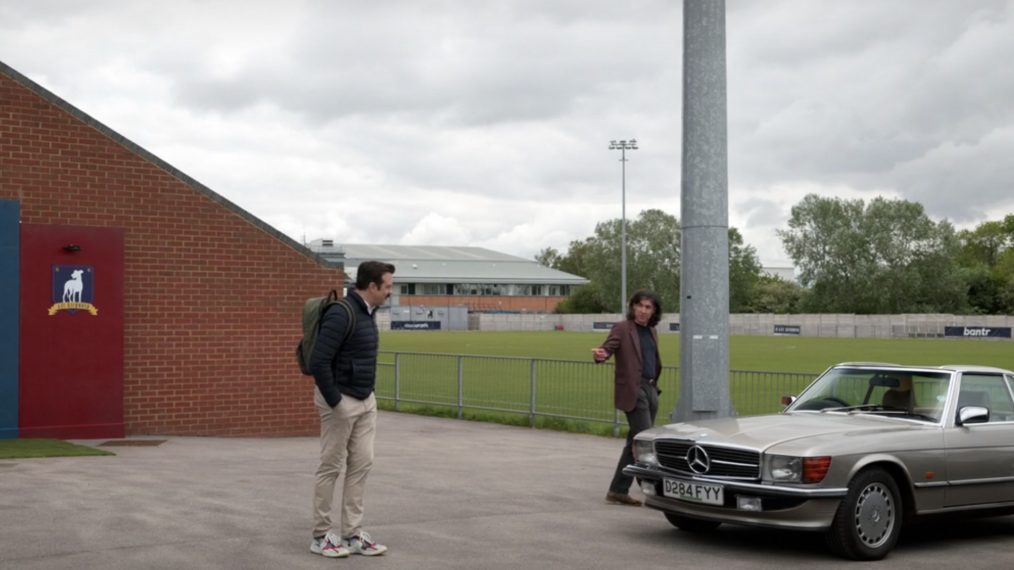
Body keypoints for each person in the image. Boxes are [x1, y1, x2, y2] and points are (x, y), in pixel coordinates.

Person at [309, 260, 395, 558]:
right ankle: (321, 536)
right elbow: (318, 363)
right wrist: (336, 403)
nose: (390, 292)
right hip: (340, 402)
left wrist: (368, 398)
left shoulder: (369, 313)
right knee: (331, 467)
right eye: (387, 287)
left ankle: (352, 535)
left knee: (361, 466)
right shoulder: (341, 313)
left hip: (365, 400)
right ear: (371, 286)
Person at [592, 290, 663, 506]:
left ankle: (617, 490)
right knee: (644, 441)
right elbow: (607, 348)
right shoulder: (623, 328)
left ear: (654, 311)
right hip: (634, 390)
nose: (643, 310)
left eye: (648, 307)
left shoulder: (652, 331)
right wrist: (601, 355)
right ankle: (651, 488)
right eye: (639, 306)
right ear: (632, 307)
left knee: (634, 441)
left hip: (651, 389)